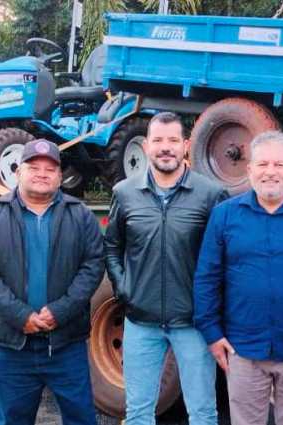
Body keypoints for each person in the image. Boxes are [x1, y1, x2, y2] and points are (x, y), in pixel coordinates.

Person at [193, 130, 283, 425]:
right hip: (243, 349)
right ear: (250, 169)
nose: (270, 172)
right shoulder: (224, 216)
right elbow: (207, 277)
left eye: (279, 164)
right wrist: (212, 333)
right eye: (263, 164)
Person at [0, 139, 105, 425]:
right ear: (18, 172)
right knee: (11, 420)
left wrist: (61, 311)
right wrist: (20, 315)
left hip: (66, 345)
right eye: (34, 167)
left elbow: (93, 266)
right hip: (11, 346)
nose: (42, 173)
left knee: (82, 419)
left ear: (59, 176)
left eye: (50, 169)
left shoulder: (80, 216)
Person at [104, 112, 228, 425]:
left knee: (202, 413)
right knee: (138, 413)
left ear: (186, 146)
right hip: (140, 322)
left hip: (193, 324)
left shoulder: (210, 195)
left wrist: (211, 306)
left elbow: (224, 257)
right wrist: (123, 289)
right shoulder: (125, 193)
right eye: (158, 140)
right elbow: (112, 246)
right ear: (146, 147)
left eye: (173, 140)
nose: (165, 147)